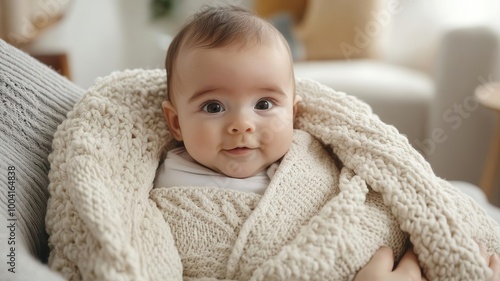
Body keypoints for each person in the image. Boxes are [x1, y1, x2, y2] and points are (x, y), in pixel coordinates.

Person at [154, 4, 500, 280]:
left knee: (466, 200)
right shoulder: (169, 186)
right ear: (176, 123)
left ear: (293, 113)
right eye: (213, 107)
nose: (241, 125)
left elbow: (376, 192)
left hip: (372, 239)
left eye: (264, 104)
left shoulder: (310, 154)